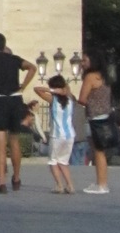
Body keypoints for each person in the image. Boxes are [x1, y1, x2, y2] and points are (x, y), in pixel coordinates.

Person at [0, 34, 37, 193]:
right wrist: (22, 86)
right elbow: (32, 67)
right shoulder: (14, 59)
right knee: (14, 140)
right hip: (15, 99)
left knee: (0, 142)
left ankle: (1, 182)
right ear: (4, 45)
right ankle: (16, 178)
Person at [76, 51, 115, 197]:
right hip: (106, 116)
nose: (82, 63)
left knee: (98, 152)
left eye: (85, 60)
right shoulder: (103, 77)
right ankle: (101, 182)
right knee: (100, 152)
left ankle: (102, 184)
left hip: (95, 118)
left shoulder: (90, 77)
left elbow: (82, 99)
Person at [46, 77, 76, 194]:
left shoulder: (53, 100)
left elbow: (37, 89)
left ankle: (59, 185)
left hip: (57, 134)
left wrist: (53, 91)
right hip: (70, 135)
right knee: (64, 162)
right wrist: (62, 90)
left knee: (53, 161)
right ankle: (70, 185)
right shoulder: (70, 99)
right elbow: (68, 88)